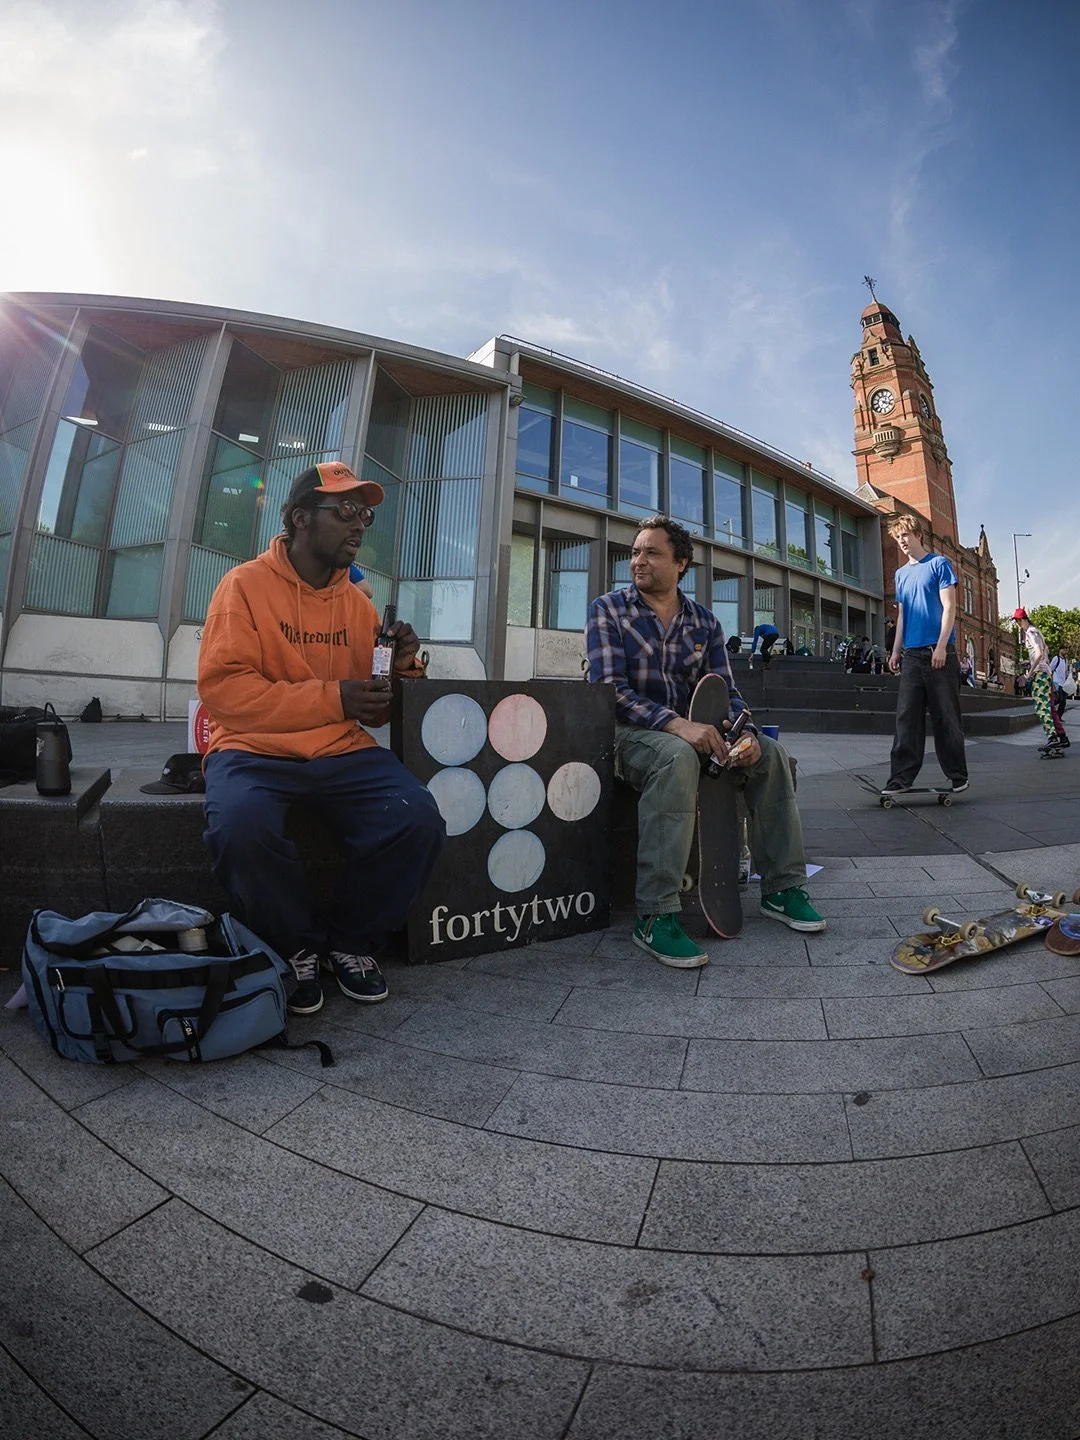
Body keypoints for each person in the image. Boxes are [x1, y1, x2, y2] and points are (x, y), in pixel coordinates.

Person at [197, 460, 446, 1014]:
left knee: (418, 819)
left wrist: (402, 669)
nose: (359, 524)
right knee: (240, 828)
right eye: (347, 510)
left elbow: (373, 711)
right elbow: (224, 693)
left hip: (340, 749)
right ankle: (294, 946)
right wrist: (335, 699)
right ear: (300, 518)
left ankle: (350, 942)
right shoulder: (242, 586)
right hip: (252, 748)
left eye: (366, 515)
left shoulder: (357, 604)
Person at [586, 514, 825, 968]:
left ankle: (783, 888)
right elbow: (610, 691)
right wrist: (677, 725)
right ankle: (655, 915)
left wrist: (745, 733)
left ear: (681, 564)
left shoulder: (705, 623)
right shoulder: (609, 610)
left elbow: (727, 691)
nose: (638, 561)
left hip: (696, 732)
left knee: (771, 754)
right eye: (635, 552)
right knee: (676, 756)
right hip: (628, 736)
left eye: (652, 552)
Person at [884, 514, 968, 794]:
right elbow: (903, 617)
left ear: (918, 535)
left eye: (905, 535)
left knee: (946, 717)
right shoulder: (901, 575)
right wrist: (895, 651)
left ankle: (958, 775)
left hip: (939, 653)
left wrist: (942, 645)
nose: (902, 541)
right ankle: (900, 778)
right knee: (906, 717)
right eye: (898, 538)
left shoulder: (939, 564)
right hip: (912, 656)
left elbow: (949, 607)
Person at [1013, 609, 1069, 753]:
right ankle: (1062, 737)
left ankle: (1052, 738)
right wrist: (1030, 661)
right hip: (1046, 673)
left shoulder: (1030, 632)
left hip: (1040, 674)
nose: (1018, 624)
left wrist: (1029, 673)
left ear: (1022, 620)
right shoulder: (1037, 632)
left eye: (1018, 621)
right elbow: (1044, 653)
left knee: (1041, 707)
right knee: (1050, 708)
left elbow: (1038, 653)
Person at [1050, 646, 1071, 718]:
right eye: (1064, 650)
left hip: (1063, 683)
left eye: (1066, 650)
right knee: (1059, 699)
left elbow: (1066, 671)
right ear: (1060, 650)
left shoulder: (1065, 660)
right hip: (1057, 682)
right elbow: (1050, 669)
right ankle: (1050, 707)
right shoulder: (1056, 658)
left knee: (1063, 701)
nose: (1065, 651)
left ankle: (1059, 717)